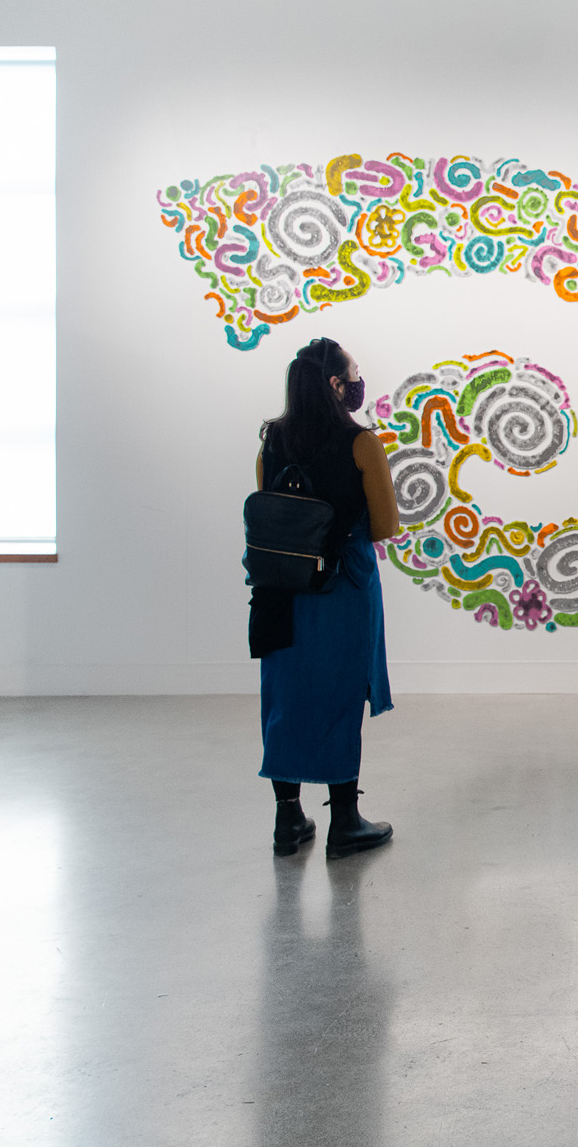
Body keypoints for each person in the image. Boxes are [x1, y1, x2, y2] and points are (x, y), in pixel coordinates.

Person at [250, 336, 398, 859]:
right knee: (339, 696)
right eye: (354, 374)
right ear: (336, 385)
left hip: (281, 589)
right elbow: (384, 525)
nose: (359, 382)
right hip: (342, 588)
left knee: (284, 699)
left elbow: (270, 509)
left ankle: (287, 818)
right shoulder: (361, 443)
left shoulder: (272, 440)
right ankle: (345, 823)